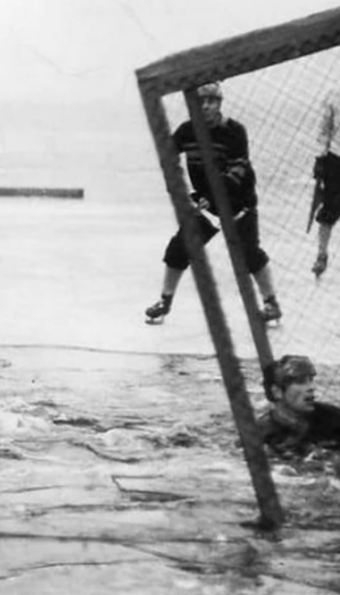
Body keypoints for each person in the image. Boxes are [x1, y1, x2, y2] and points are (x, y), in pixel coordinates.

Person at [144, 82, 281, 325]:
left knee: (250, 254)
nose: (206, 106)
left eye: (212, 101)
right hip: (207, 203)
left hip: (239, 202)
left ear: (219, 103)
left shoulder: (234, 131)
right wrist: (178, 192)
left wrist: (214, 196)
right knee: (179, 248)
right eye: (201, 101)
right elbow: (167, 156)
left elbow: (238, 170)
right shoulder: (186, 131)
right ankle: (165, 302)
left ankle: (271, 304)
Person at [258, 354, 340, 459]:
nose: (311, 387)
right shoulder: (262, 435)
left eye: (311, 380)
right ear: (277, 391)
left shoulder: (331, 417)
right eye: (300, 382)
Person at [311, 92, 340, 277]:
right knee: (329, 209)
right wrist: (320, 157)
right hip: (337, 158)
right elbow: (324, 130)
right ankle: (322, 254)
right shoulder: (333, 96)